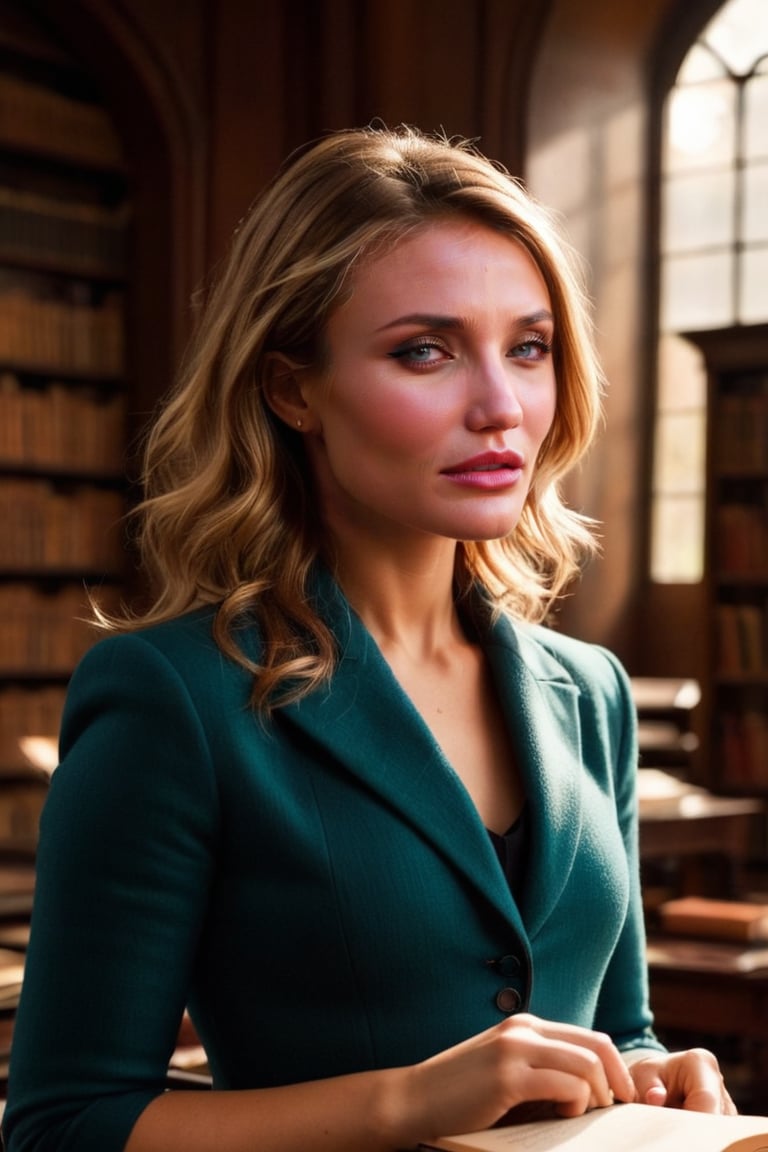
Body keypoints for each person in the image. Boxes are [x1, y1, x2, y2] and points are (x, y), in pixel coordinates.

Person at [3, 124, 736, 1152]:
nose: (500, 407)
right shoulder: (173, 696)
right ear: (291, 388)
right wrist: (404, 1104)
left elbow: (616, 1028)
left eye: (529, 348)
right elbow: (64, 1123)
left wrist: (651, 1073)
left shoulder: (591, 691)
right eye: (424, 351)